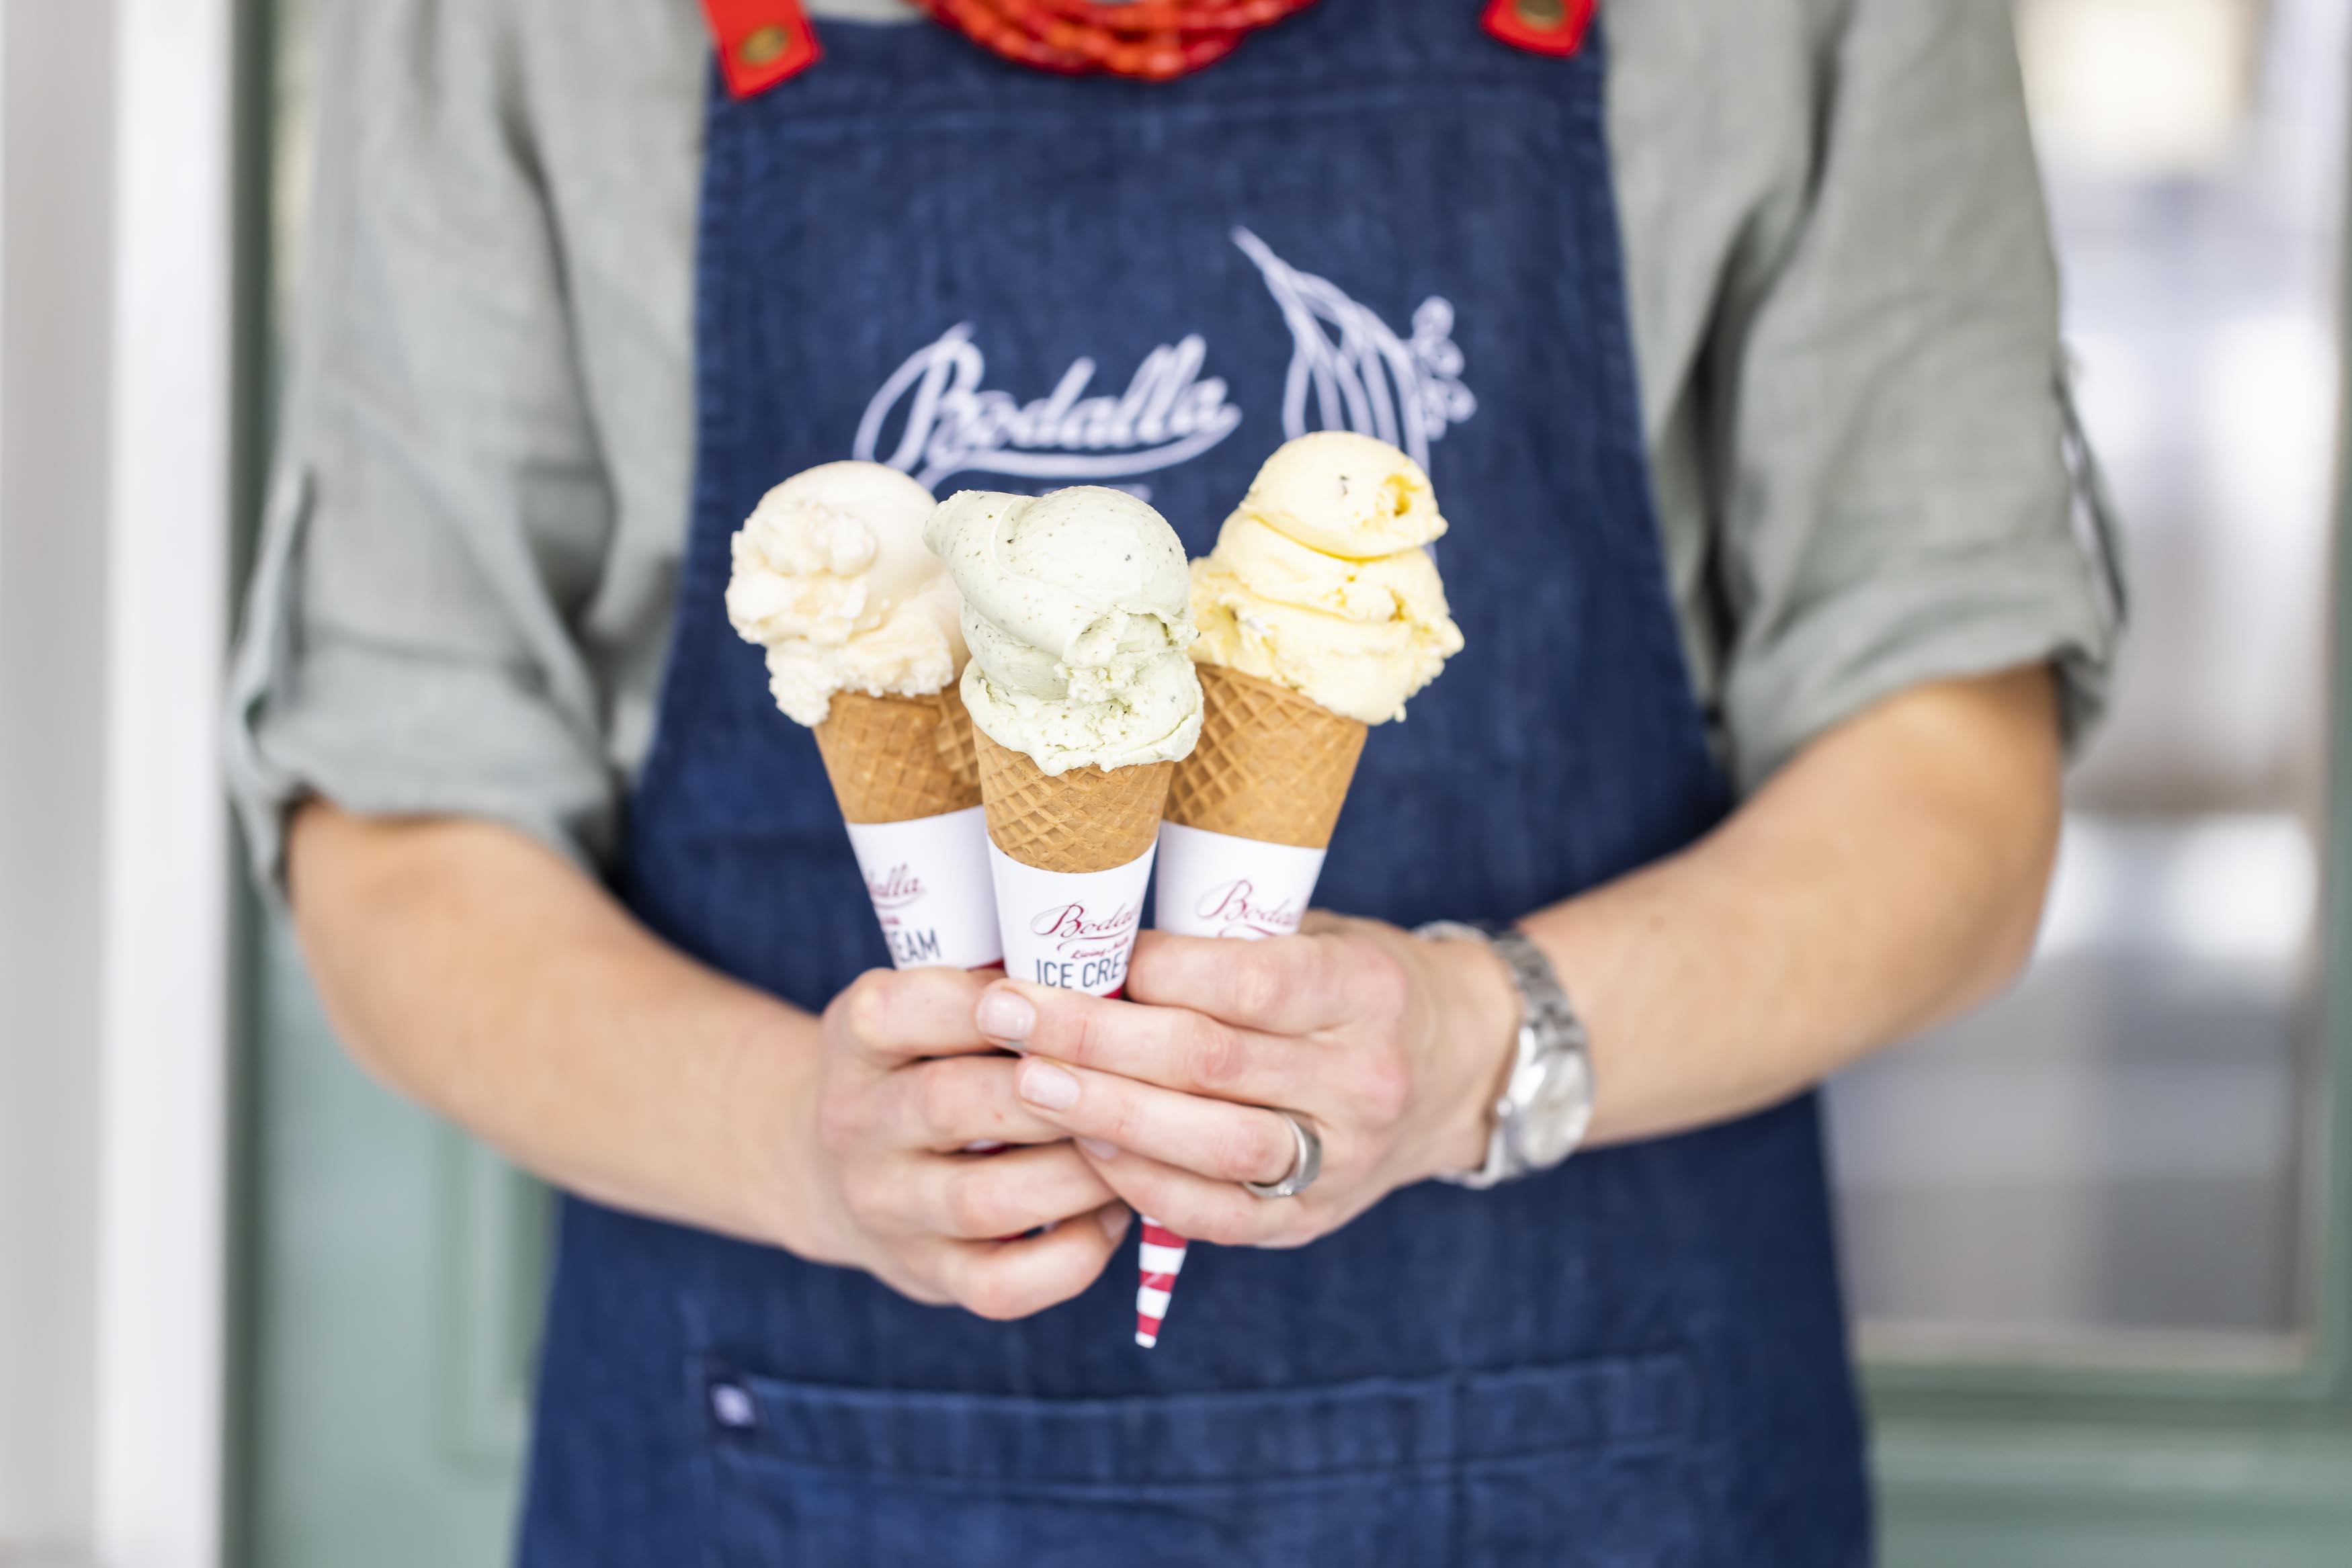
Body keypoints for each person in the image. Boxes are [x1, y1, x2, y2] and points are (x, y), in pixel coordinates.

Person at [226, 0, 2122, 1562]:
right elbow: (402, 818)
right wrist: (793, 1141)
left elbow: (1950, 782)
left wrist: (1481, 1036)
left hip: (1609, 1461)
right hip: (765, 1466)